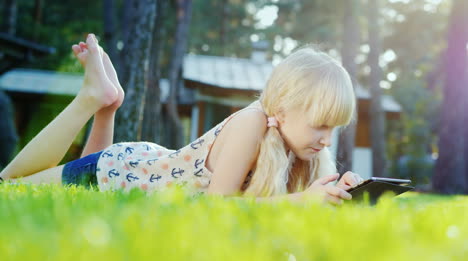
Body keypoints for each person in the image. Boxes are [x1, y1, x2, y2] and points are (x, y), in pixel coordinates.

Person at [0, 33, 364, 205]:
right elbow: (215, 209)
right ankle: (91, 98)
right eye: (321, 124)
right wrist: (299, 203)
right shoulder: (251, 123)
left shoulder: (297, 151)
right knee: (9, 185)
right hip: (120, 173)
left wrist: (338, 195)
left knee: (69, 195)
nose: (327, 140)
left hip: (143, 168)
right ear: (282, 109)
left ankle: (107, 105)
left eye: (334, 127)